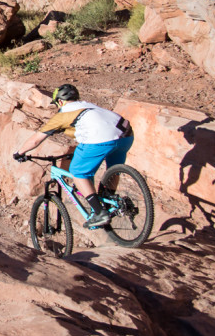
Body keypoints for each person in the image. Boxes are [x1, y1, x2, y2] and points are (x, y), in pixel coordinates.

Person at [13, 84, 133, 228]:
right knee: (112, 169)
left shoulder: (63, 115)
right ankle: (109, 199)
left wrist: (19, 153)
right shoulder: (88, 105)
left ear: (60, 101)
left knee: (78, 173)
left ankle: (100, 212)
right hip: (126, 135)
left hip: (100, 140)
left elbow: (35, 140)